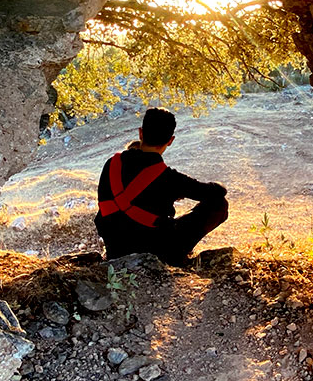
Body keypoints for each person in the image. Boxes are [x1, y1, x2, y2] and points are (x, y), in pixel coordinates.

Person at [95, 107, 229, 266]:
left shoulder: (112, 164)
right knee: (219, 205)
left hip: (116, 248)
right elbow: (216, 193)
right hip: (158, 249)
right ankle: (177, 257)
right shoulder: (170, 178)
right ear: (170, 140)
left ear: (140, 133)